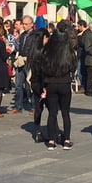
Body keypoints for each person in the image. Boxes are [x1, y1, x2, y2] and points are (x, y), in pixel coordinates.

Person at [31, 20, 78, 150]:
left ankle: (51, 141)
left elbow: (44, 67)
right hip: (64, 83)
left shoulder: (48, 51)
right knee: (65, 113)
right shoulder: (69, 52)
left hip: (51, 83)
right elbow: (73, 66)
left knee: (52, 113)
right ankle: (67, 140)